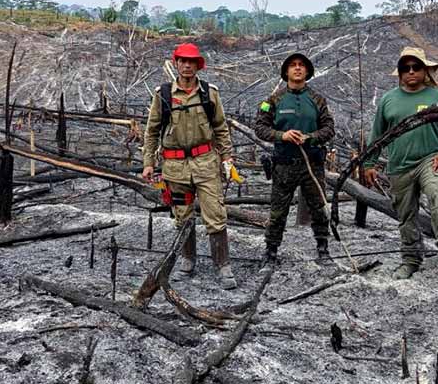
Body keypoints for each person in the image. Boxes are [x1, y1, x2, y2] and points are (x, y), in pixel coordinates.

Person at [363, 46, 438, 279]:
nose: (411, 72)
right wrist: (369, 164)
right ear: (399, 72)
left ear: (424, 70)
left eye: (415, 67)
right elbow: (376, 135)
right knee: (406, 214)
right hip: (399, 165)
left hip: (430, 159)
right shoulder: (388, 100)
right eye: (405, 68)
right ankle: (410, 260)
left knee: (437, 194)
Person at [142, 43, 238, 290]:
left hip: (205, 163)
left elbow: (221, 128)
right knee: (183, 215)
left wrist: (227, 159)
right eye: (182, 61)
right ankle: (187, 260)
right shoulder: (162, 94)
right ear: (176, 63)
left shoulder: (209, 93)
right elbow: (151, 131)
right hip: (175, 166)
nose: (186, 65)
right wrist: (148, 163)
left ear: (198, 65)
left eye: (191, 61)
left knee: (215, 214)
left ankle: (223, 265)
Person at [254, 53, 335, 263]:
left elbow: (329, 128)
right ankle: (271, 252)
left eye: (301, 65)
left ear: (307, 71)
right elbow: (260, 128)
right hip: (283, 166)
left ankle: (323, 249)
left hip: (312, 165)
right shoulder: (273, 100)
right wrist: (282, 135)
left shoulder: (318, 99)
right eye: (293, 65)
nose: (297, 68)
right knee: (278, 212)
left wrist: (311, 137)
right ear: (286, 71)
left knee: (319, 208)